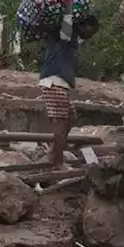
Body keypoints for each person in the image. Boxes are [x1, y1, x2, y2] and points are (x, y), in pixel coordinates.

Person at [39, 14, 99, 169]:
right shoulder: (66, 33)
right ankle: (56, 160)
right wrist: (68, 4)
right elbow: (66, 22)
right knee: (60, 124)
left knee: (71, 118)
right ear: (84, 25)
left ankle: (54, 153)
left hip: (60, 83)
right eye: (90, 32)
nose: (89, 36)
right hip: (54, 82)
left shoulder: (71, 38)